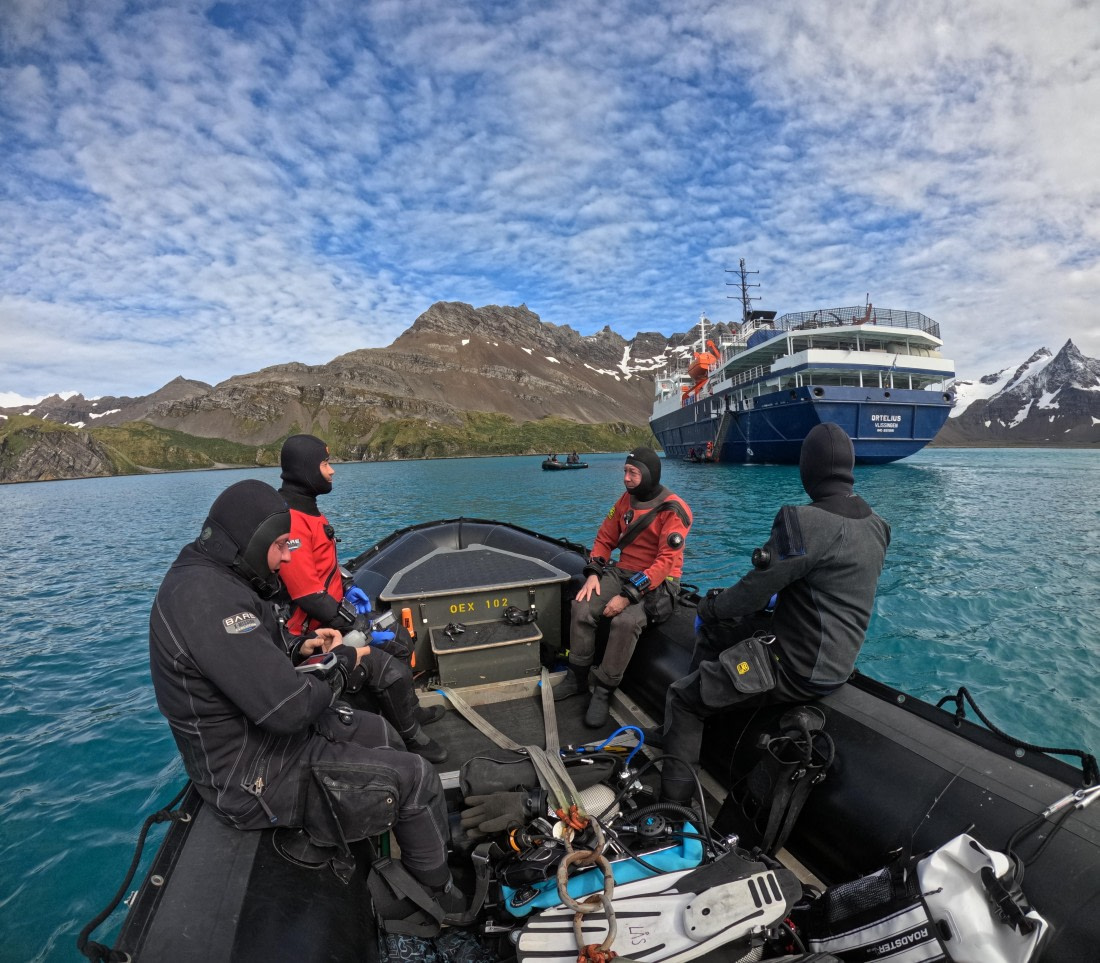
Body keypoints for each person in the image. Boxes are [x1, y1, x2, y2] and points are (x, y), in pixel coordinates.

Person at [148, 479, 460, 905]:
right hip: (251, 775)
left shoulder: (218, 579)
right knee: (417, 777)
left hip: (266, 742)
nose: (287, 556)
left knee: (382, 735)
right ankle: (439, 895)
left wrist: (298, 648)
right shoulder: (206, 599)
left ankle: (401, 839)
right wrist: (345, 666)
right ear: (251, 541)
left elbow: (246, 663)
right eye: (279, 545)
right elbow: (289, 709)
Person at [658, 422, 891, 803]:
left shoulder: (803, 521)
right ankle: (701, 722)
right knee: (721, 631)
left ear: (808, 468)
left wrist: (710, 606)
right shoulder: (878, 525)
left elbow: (751, 593)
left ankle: (672, 807)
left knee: (683, 698)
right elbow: (827, 586)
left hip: (794, 668)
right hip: (838, 663)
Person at [277, 434, 447, 763]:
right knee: (386, 669)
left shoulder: (309, 511)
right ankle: (411, 737)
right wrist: (355, 624)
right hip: (311, 633)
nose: (332, 471)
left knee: (400, 638)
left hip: (331, 616)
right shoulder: (293, 522)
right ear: (304, 470)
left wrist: (347, 585)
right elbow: (307, 593)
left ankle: (410, 709)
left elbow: (322, 567)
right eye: (325, 464)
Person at [555, 446, 692, 728]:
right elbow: (606, 537)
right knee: (581, 605)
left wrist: (629, 596)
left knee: (625, 622)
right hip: (623, 570)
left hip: (658, 581)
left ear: (649, 474)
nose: (627, 478)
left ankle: (604, 690)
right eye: (625, 472)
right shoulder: (625, 501)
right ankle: (578, 677)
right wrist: (593, 572)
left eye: (633, 473)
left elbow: (666, 562)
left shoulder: (673, 510)